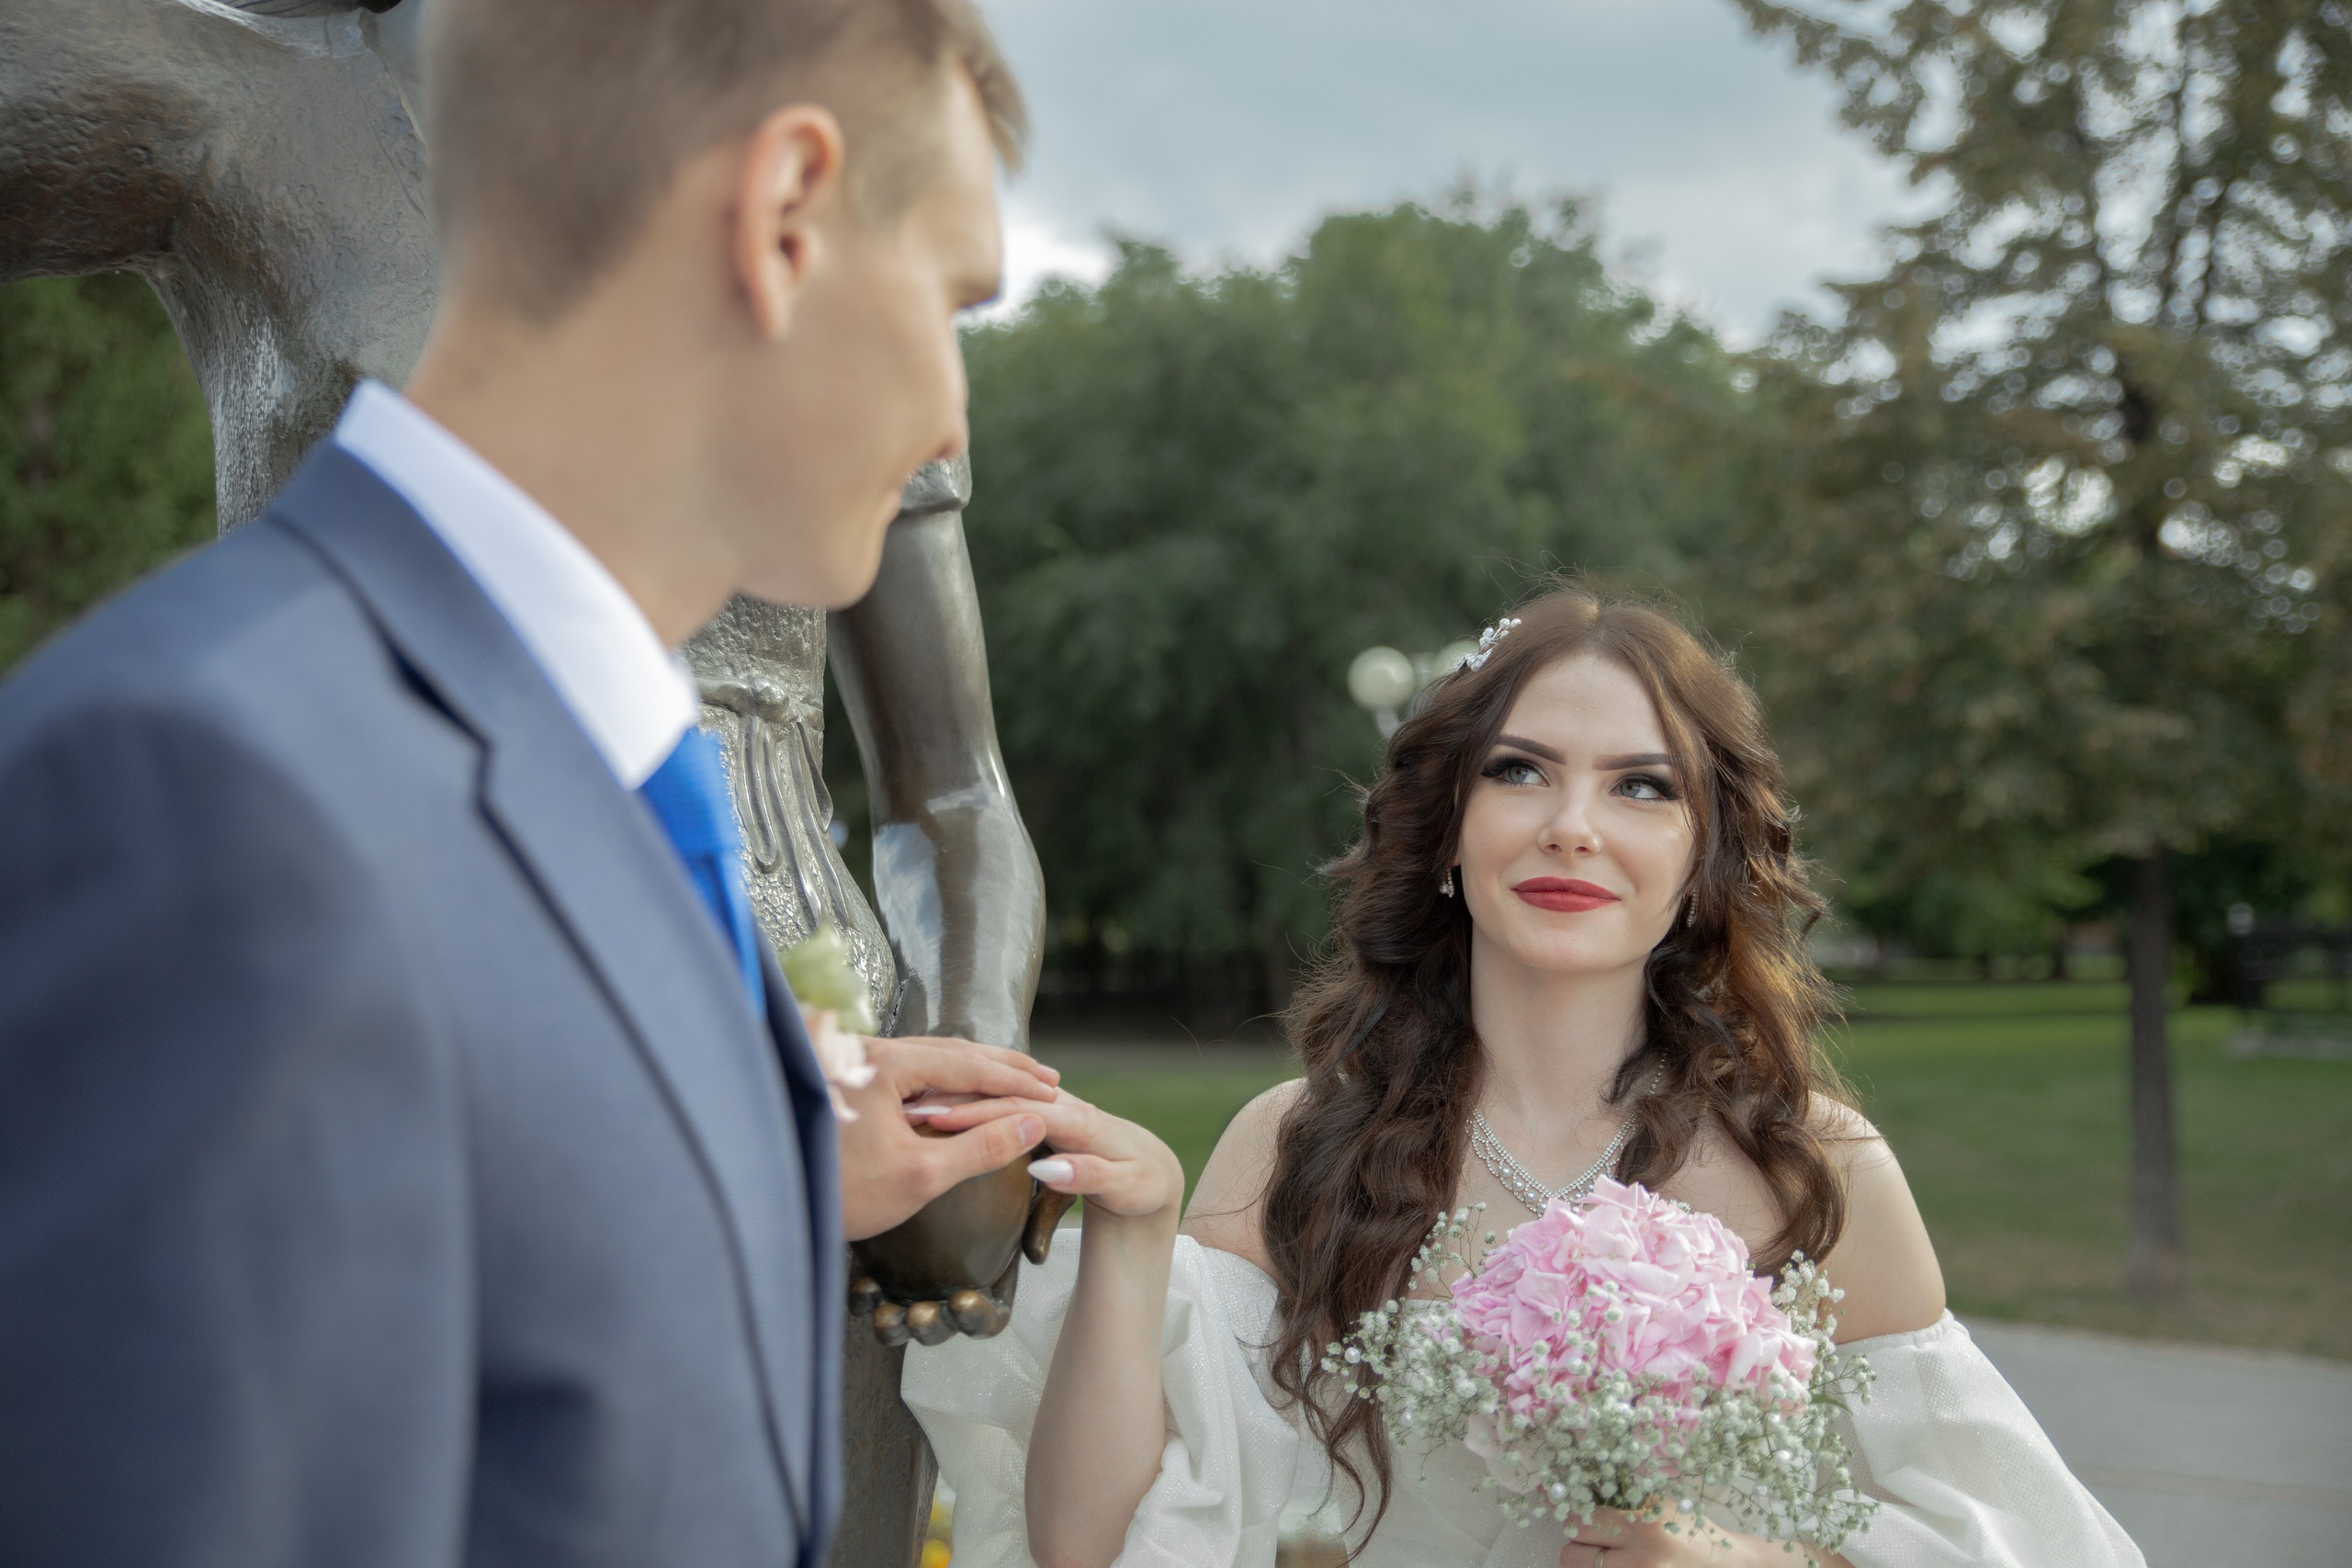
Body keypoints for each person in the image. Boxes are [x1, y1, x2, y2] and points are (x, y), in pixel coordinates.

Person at [0, 2, 1056, 1564]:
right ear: (780, 221)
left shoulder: (633, 806)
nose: (950, 418)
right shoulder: (199, 789)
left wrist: (766, 1148)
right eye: (949, 294)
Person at [903, 586, 2145, 1568]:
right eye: (1520, 770)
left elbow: (2026, 1545)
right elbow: (1091, 1546)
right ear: (1448, 828)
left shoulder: (1815, 1168)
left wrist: (1765, 1564)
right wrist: (1137, 1237)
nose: (1572, 826)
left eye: (1641, 787)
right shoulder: (1299, 1144)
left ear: (1700, 854)